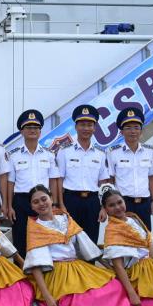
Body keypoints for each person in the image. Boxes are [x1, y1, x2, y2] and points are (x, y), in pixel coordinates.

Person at [23, 184, 138, 306]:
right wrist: (47, 296)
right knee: (79, 302)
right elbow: (36, 265)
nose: (41, 204)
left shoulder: (65, 218)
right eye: (36, 202)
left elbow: (88, 246)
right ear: (32, 206)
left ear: (51, 198)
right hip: (57, 274)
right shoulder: (35, 227)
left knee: (114, 285)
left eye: (43, 199)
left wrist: (111, 268)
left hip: (77, 267)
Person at [3, 109, 59, 256]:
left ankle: (43, 269)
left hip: (43, 202)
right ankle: (22, 270)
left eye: (36, 127)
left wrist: (54, 204)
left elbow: (53, 181)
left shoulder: (49, 154)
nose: (32, 130)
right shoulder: (14, 155)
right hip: (21, 202)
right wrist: (9, 206)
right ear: (21, 131)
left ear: (40, 131)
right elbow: (10, 183)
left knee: (45, 238)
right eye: (28, 127)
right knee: (21, 239)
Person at [53, 104, 109, 242]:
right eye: (82, 125)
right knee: (69, 241)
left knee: (91, 242)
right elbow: (59, 180)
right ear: (76, 127)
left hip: (93, 202)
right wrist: (60, 205)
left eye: (90, 125)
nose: (86, 128)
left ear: (94, 128)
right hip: (70, 200)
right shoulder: (64, 151)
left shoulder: (100, 154)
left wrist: (103, 207)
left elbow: (103, 183)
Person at [105, 107, 153, 230]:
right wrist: (110, 204)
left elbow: (151, 178)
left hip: (144, 203)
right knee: (123, 236)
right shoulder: (113, 152)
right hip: (122, 203)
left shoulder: (150, 151)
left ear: (141, 131)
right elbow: (111, 180)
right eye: (128, 128)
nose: (133, 131)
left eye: (136, 127)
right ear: (121, 132)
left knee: (145, 236)